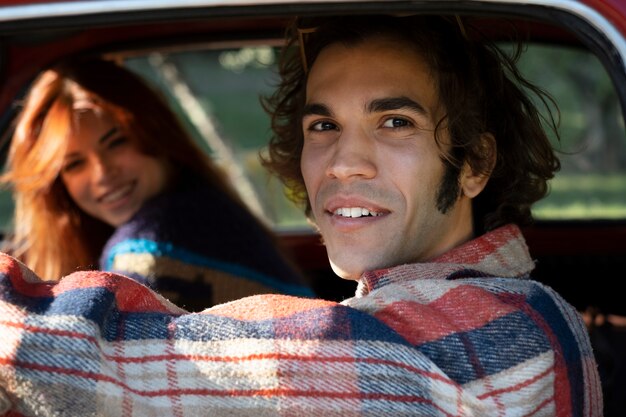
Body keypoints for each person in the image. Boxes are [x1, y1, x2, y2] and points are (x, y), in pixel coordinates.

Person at [0, 15, 602, 416]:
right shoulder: (498, 307)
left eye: (395, 122)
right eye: (324, 126)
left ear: (474, 162)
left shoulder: (489, 337)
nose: (344, 163)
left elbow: (114, 367)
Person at [0, 58, 313, 310]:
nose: (102, 173)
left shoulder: (150, 245)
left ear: (156, 135)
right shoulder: (205, 207)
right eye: (74, 164)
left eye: (117, 142)